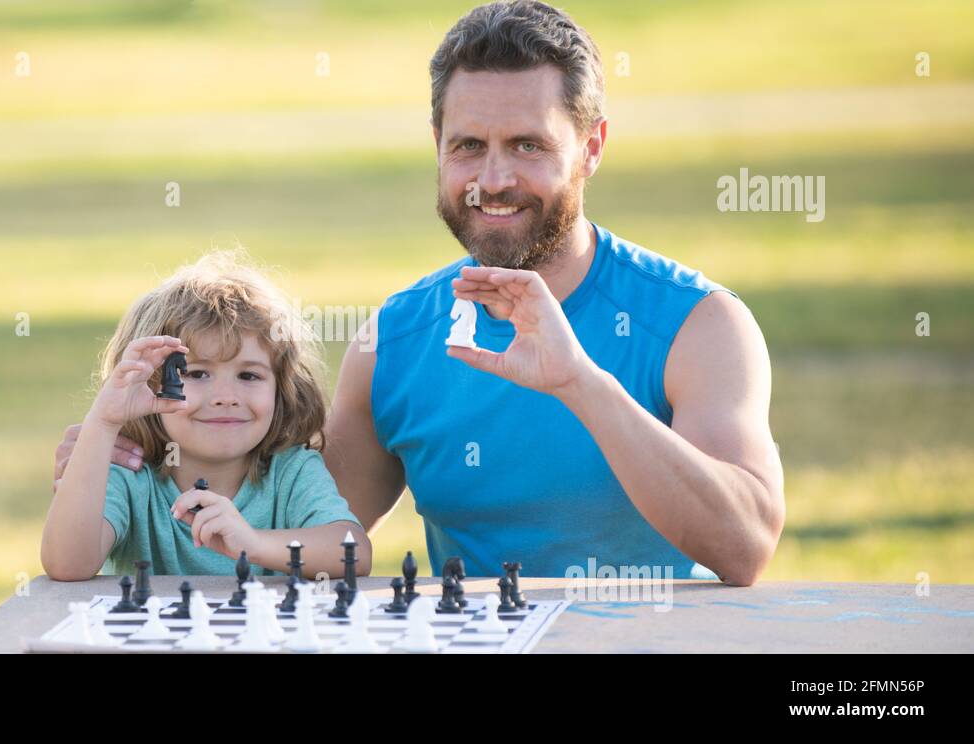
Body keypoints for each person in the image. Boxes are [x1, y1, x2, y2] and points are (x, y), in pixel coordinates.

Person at [56, 1, 785, 586]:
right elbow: (284, 527)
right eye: (468, 145)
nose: (492, 179)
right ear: (437, 142)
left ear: (591, 147)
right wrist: (123, 460)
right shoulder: (396, 339)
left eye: (528, 146)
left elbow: (744, 547)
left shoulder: (698, 323)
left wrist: (579, 383)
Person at [40, 251, 371, 581]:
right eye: (196, 374)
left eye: (249, 376)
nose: (225, 398)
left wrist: (253, 543)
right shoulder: (130, 473)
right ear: (149, 384)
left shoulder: (290, 471)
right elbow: (67, 565)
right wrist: (104, 423)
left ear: (281, 389)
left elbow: (353, 553)